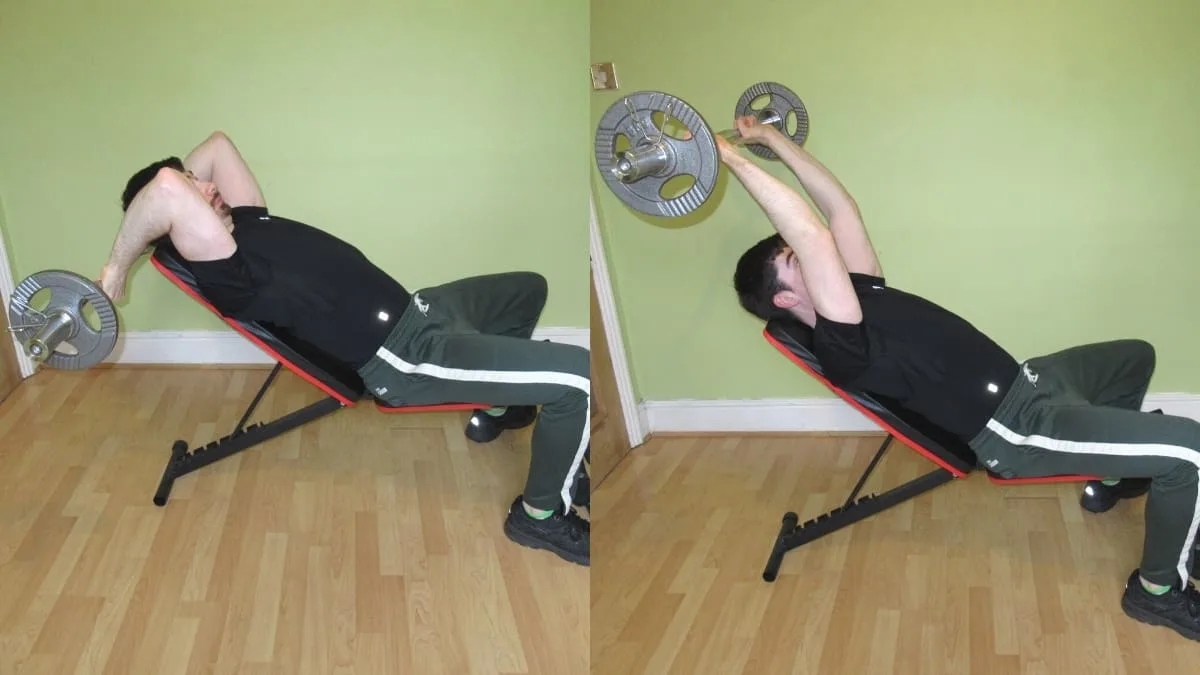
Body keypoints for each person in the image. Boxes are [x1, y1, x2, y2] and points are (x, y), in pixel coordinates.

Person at [719, 117, 1200, 640]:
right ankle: (1157, 593)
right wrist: (728, 157)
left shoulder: (859, 293)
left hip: (1032, 380)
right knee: (1190, 450)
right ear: (788, 299)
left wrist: (772, 140)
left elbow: (838, 211)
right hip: (1013, 429)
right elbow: (810, 231)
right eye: (798, 261)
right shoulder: (842, 346)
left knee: (1134, 357)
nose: (821, 251)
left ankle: (1107, 478)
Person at [99, 130, 590, 566]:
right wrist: (116, 269)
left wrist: (189, 185)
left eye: (196, 179)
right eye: (192, 189)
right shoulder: (226, 271)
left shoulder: (247, 223)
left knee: (528, 288)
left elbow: (217, 145)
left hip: (422, 310)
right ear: (177, 229)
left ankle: (499, 404)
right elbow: (165, 189)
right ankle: (540, 516)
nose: (205, 185)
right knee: (578, 379)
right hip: (405, 357)